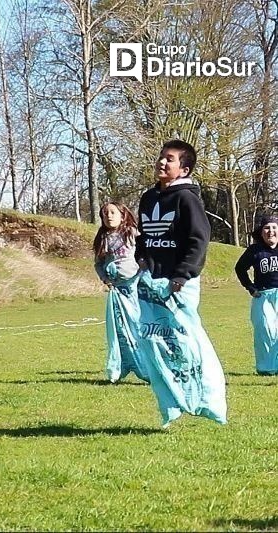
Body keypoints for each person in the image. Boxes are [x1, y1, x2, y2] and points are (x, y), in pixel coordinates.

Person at [135, 139, 226, 426]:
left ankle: (209, 400)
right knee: (153, 343)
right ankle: (172, 405)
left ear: (184, 169)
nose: (162, 162)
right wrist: (141, 259)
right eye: (161, 157)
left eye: (170, 159)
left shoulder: (187, 199)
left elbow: (199, 239)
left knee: (188, 342)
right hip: (152, 282)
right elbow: (144, 238)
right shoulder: (148, 198)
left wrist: (182, 275)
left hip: (179, 283)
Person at [93, 202, 147, 384]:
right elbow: (98, 263)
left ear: (122, 215)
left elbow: (144, 254)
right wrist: (104, 278)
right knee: (119, 328)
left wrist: (143, 269)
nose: (109, 216)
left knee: (137, 325)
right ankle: (121, 365)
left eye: (112, 212)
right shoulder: (103, 238)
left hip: (135, 287)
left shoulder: (132, 233)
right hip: (116, 290)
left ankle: (146, 366)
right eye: (105, 213)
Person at [234, 214, 278, 375]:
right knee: (265, 330)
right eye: (267, 228)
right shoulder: (255, 250)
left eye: (274, 227)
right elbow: (240, 268)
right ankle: (267, 368)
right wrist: (250, 287)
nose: (270, 231)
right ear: (261, 232)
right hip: (263, 296)